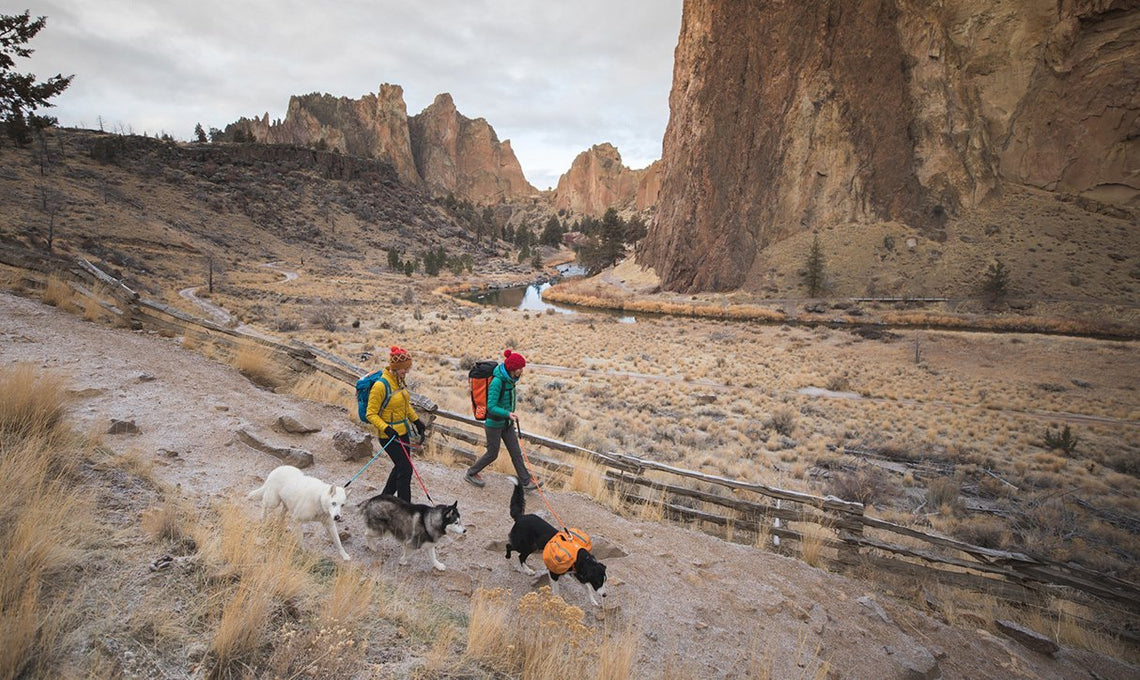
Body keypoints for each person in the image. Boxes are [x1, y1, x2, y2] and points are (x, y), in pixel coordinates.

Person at [465, 349, 540, 491]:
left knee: (516, 452)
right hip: (494, 424)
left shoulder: (511, 380)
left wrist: (508, 416)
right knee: (492, 454)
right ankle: (471, 473)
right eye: (520, 368)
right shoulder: (497, 382)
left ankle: (526, 482)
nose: (522, 371)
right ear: (512, 368)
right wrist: (508, 414)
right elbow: (491, 407)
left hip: (507, 423)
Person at [366, 345, 426, 501]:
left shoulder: (399, 381)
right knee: (405, 469)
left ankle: (383, 500)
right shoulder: (381, 386)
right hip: (388, 436)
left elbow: (406, 406)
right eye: (404, 369)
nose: (406, 372)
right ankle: (404, 507)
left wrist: (417, 422)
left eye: (407, 368)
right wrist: (386, 428)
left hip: (403, 432)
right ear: (395, 368)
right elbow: (370, 414)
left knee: (401, 467)